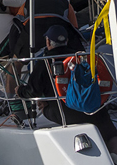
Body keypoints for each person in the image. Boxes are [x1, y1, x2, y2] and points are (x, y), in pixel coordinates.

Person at [16, 25, 117, 153]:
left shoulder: (44, 63)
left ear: (48, 42)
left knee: (49, 106)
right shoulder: (81, 57)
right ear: (67, 41)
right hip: (93, 109)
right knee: (111, 134)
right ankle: (114, 154)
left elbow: (31, 92)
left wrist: (20, 91)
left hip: (65, 113)